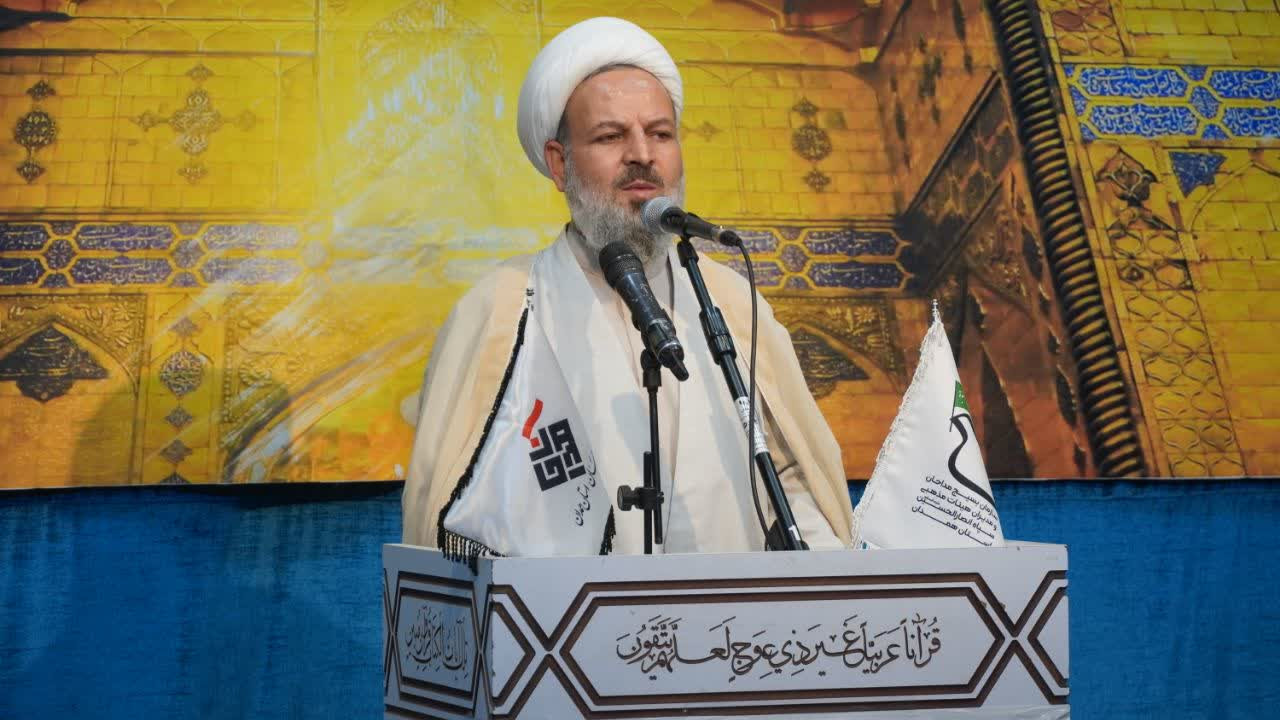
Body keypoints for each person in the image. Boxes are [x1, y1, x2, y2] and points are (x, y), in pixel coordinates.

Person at [402, 17, 853, 554]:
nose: (642, 154)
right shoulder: (502, 310)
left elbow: (791, 481)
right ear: (560, 163)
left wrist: (829, 579)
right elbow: (456, 521)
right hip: (565, 606)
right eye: (611, 136)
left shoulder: (731, 302)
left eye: (660, 134)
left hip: (732, 608)